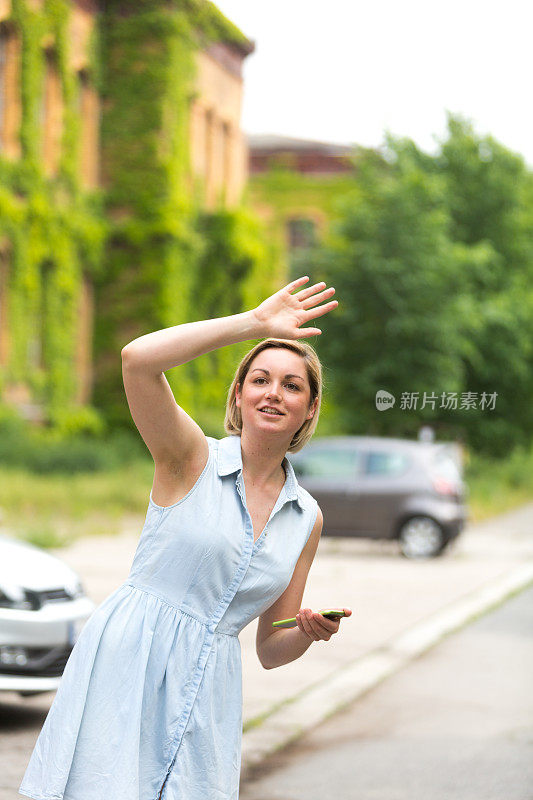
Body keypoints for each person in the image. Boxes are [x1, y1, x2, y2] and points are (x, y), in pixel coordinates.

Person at [19, 275, 352, 800]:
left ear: (309, 409)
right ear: (238, 395)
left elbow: (269, 647)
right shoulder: (189, 458)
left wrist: (308, 632)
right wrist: (254, 324)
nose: (274, 393)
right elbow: (137, 360)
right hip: (129, 661)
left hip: (210, 692)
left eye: (292, 386)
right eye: (260, 379)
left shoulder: (305, 518)